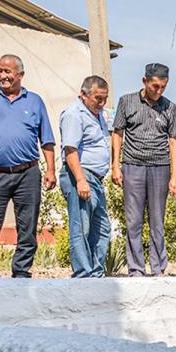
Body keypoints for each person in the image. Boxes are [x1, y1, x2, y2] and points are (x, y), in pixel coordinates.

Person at [0, 54, 56, 278]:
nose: (2, 76)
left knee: (27, 227)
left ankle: (21, 273)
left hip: (28, 174)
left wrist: (51, 169)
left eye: (8, 72)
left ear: (20, 75)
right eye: (0, 71)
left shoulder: (34, 101)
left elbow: (47, 139)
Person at [111, 63, 176, 276]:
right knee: (133, 220)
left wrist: (175, 175)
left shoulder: (170, 107)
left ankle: (158, 268)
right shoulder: (127, 101)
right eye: (155, 86)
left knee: (157, 221)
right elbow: (117, 133)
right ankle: (135, 268)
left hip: (160, 168)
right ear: (144, 81)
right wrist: (115, 165)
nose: (159, 91)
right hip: (132, 166)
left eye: (163, 87)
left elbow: (174, 141)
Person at [58, 75, 113, 277]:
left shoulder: (98, 115)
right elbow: (70, 150)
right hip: (80, 176)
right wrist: (80, 180)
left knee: (102, 228)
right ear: (83, 94)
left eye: (104, 98)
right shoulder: (74, 114)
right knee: (81, 227)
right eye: (98, 98)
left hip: (95, 179)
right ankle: (83, 273)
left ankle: (96, 273)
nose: (102, 103)